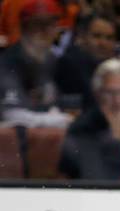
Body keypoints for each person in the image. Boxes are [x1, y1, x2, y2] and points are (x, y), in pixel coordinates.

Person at [58, 58, 120, 180]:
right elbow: (96, 178)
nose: (118, 100)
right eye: (110, 92)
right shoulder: (81, 130)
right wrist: (117, 142)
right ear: (97, 94)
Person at [0, 0, 73, 128]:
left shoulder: (52, 59)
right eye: (38, 24)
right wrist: (59, 120)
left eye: (50, 24)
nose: (44, 31)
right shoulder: (9, 61)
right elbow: (11, 114)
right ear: (24, 28)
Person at [54, 12, 117, 110]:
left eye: (109, 38)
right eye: (96, 36)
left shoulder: (113, 65)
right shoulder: (70, 63)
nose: (103, 43)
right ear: (82, 37)